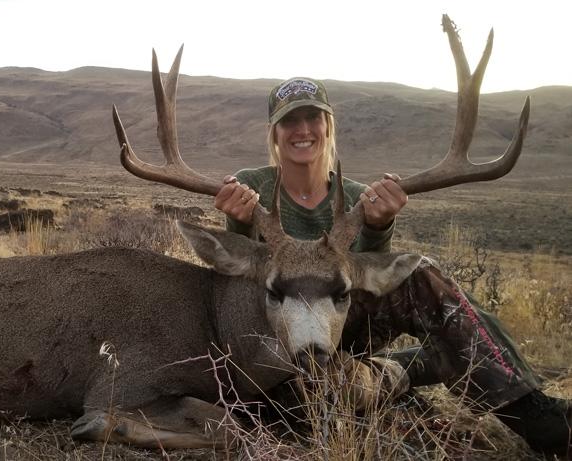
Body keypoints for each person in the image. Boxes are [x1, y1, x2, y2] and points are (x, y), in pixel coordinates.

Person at [213, 77, 571, 457]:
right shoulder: (250, 188)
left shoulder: (354, 197)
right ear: (275, 133)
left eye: (313, 118)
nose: (302, 129)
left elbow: (374, 283)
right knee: (323, 399)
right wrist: (239, 223)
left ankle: (538, 420)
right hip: (278, 333)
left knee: (420, 276)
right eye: (290, 121)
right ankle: (413, 368)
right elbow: (241, 287)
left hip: (340, 321)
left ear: (328, 125)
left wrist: (379, 225)